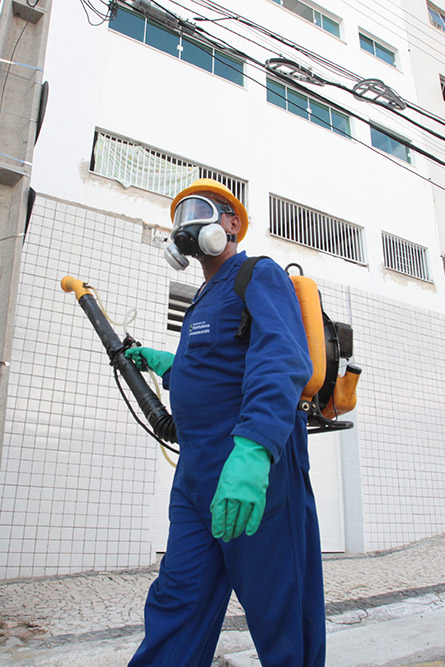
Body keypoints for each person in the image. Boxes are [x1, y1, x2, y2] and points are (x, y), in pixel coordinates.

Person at [125, 179, 325, 666]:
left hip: (254, 468)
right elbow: (211, 369)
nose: (186, 223)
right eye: (180, 216)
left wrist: (254, 450)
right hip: (196, 476)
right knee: (179, 595)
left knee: (280, 606)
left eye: (199, 210)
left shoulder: (256, 274)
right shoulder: (203, 296)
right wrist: (161, 362)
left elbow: (280, 359)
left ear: (231, 222)